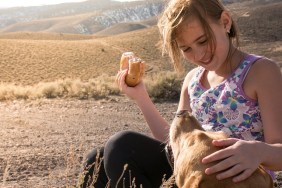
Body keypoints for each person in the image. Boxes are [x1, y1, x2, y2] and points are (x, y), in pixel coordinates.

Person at [79, 0, 282, 187]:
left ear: (225, 22)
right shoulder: (192, 80)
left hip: (233, 179)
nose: (199, 54)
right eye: (186, 48)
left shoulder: (260, 71)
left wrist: (257, 151)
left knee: (121, 144)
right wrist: (141, 96)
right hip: (189, 171)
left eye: (203, 41)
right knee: (96, 160)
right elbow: (174, 141)